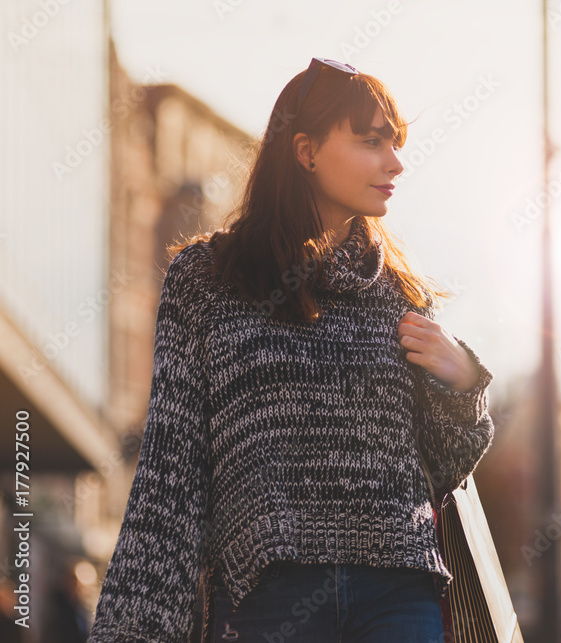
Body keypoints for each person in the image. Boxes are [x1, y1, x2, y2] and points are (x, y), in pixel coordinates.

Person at [87, 58, 496, 642]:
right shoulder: (207, 280)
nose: (395, 161)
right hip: (269, 596)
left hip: (398, 596)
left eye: (396, 143)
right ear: (305, 151)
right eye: (371, 141)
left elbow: (439, 468)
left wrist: (462, 386)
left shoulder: (400, 297)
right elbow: (171, 470)